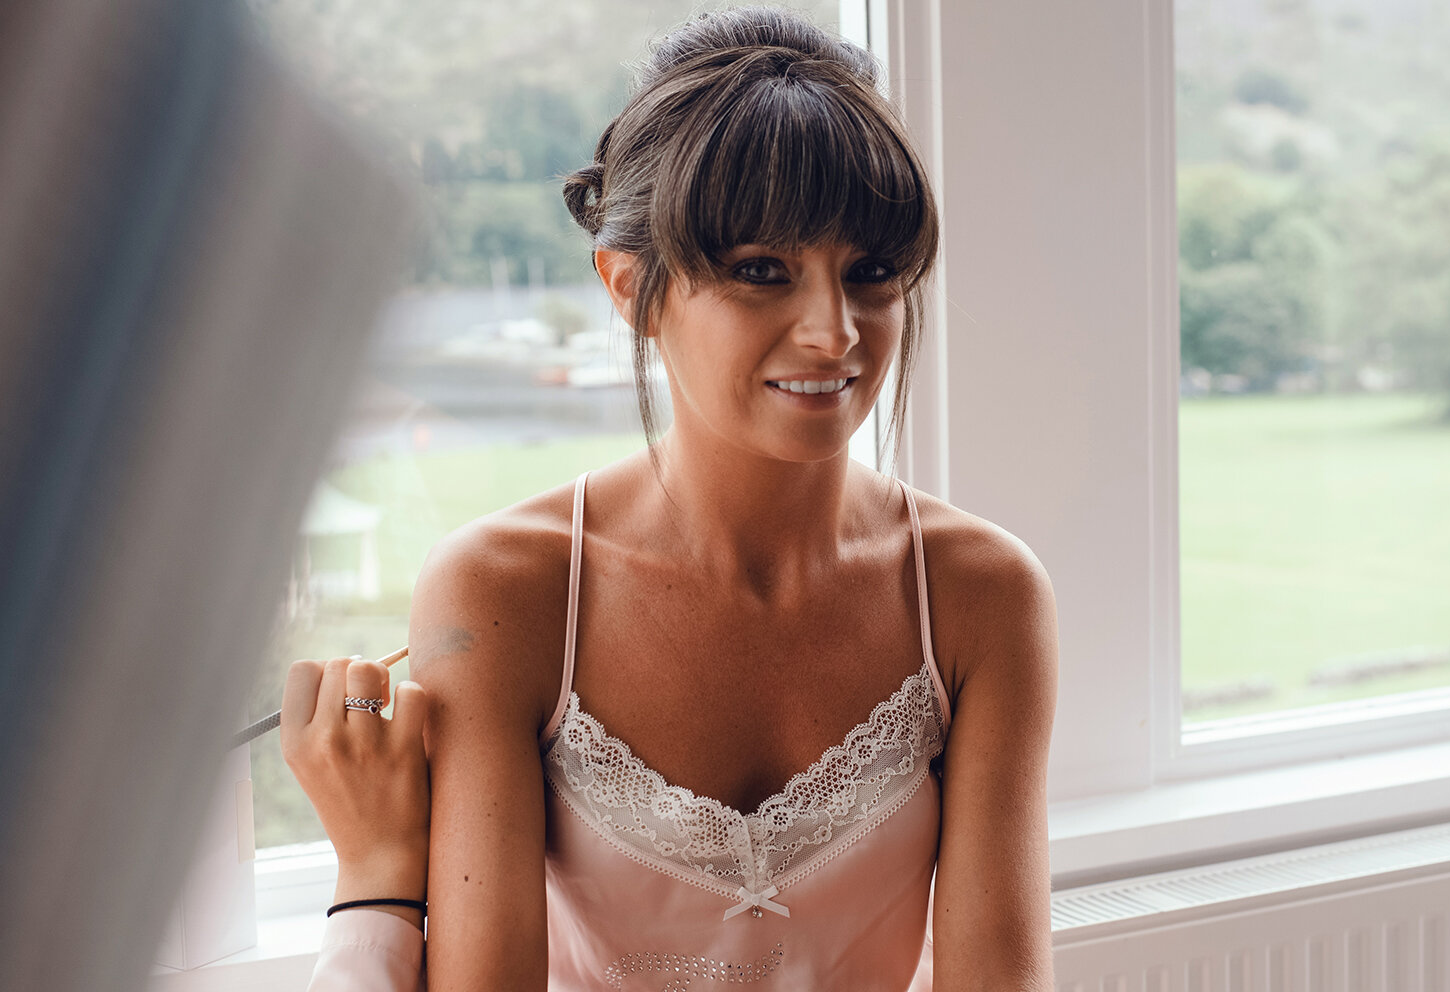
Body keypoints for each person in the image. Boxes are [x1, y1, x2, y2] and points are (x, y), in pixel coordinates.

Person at [281, 6, 1060, 990]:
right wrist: (378, 863)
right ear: (628, 286)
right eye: (762, 272)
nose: (834, 331)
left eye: (870, 272)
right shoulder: (507, 589)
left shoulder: (984, 595)